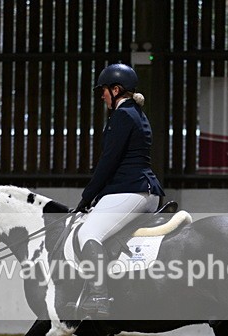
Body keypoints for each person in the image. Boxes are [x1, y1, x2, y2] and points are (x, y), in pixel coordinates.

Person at [71, 63, 165, 318]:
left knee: (88, 232)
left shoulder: (123, 116)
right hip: (141, 189)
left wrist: (87, 196)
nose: (101, 95)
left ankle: (99, 295)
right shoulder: (135, 113)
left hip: (132, 189)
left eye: (103, 90)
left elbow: (108, 161)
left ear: (116, 89)